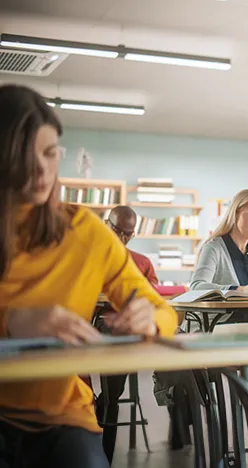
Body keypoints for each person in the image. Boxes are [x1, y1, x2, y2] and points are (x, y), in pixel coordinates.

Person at [0, 84, 178, 468]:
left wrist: (149, 319)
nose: (42, 170)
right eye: (24, 155)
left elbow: (161, 310)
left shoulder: (84, 230)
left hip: (60, 415)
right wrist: (11, 320)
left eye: (50, 154)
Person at [189, 188, 248, 417]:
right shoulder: (214, 247)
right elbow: (196, 287)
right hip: (218, 327)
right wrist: (239, 289)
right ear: (236, 213)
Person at [96, 205, 160, 462]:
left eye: (128, 234)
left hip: (126, 328)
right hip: (95, 320)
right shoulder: (90, 255)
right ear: (105, 223)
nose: (121, 239)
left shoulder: (142, 262)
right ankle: (100, 404)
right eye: (116, 230)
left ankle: (106, 408)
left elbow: (154, 295)